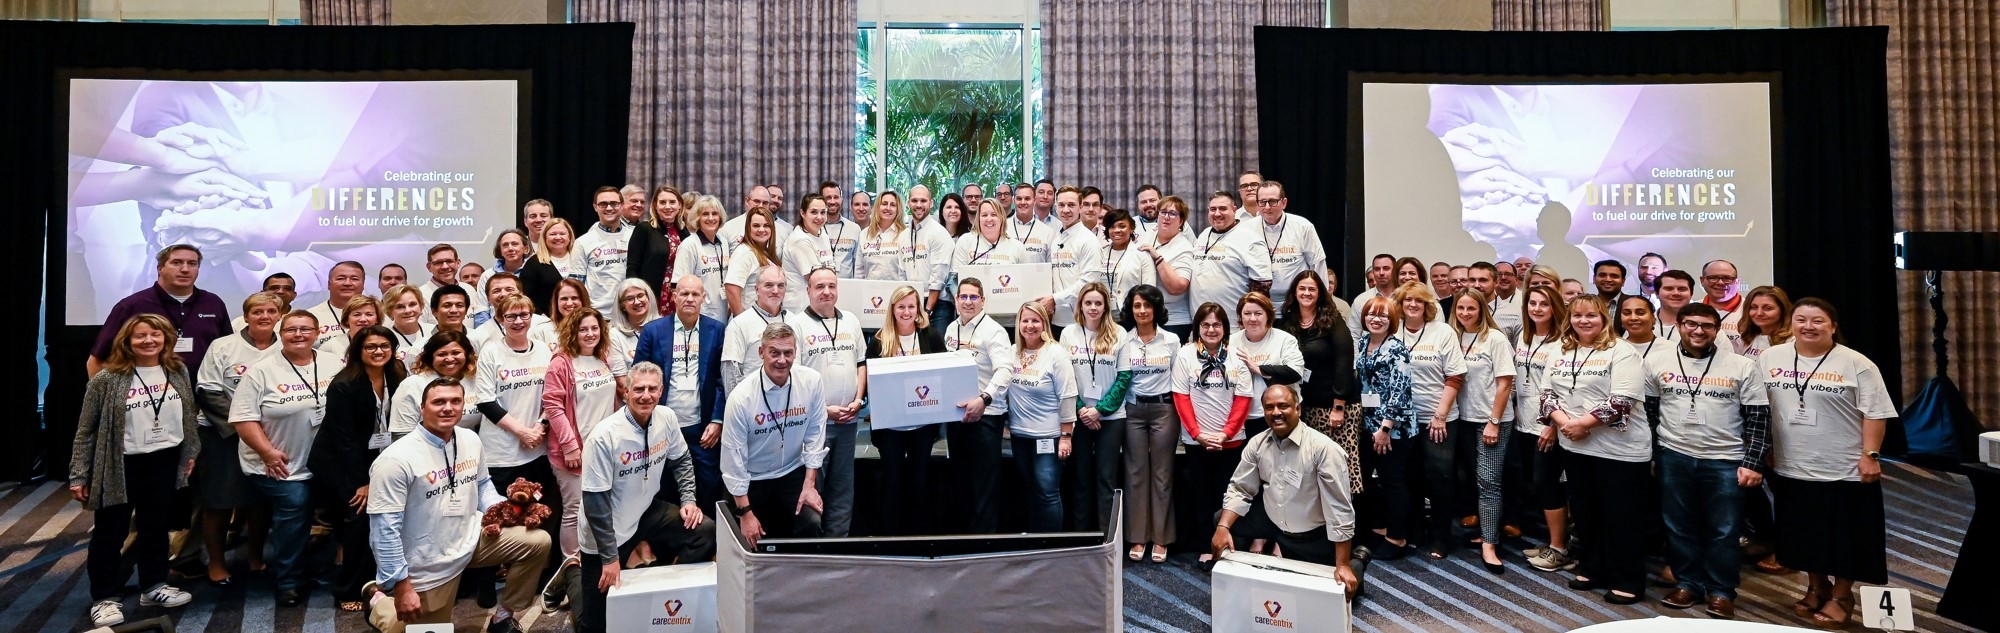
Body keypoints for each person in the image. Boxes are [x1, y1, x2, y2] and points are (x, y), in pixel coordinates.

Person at [362, 378, 551, 633]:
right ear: (422, 408)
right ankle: (378, 600)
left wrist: (503, 511)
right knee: (410, 627)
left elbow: (483, 484)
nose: (447, 408)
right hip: (427, 563)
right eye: (438, 402)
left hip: (470, 540)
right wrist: (402, 584)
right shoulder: (396, 460)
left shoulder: (470, 440)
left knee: (537, 541)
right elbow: (384, 530)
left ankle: (503, 617)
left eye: (455, 401)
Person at [1758, 298, 1896, 629]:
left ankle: (1842, 596)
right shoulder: (1770, 357)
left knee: (1846, 536)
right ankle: (1817, 586)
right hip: (1791, 464)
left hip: (1845, 467)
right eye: (1801, 319)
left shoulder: (1856, 363)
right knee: (1803, 533)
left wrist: (1870, 455)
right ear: (1791, 324)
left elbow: (1875, 412)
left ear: (1833, 326)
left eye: (1818, 321)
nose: (1809, 326)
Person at [73, 314, 201, 627]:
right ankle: (105, 597)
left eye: (155, 335)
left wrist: (190, 453)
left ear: (166, 338)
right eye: (140, 336)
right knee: (110, 532)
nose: (148, 341)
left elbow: (187, 415)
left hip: (165, 459)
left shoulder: (177, 370)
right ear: (126, 341)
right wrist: (79, 473)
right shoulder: (107, 378)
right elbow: (86, 429)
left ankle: (153, 586)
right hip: (120, 464)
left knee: (156, 526)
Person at [1644, 303, 1769, 619]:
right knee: (1678, 526)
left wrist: (1753, 462)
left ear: (1716, 329)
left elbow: (1758, 417)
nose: (1698, 331)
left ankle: (1721, 591)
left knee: (1724, 530)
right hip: (1674, 456)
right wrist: (1654, 456)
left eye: (1706, 325)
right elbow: (1648, 414)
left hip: (1725, 459)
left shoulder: (1741, 366)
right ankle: (1688, 583)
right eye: (1691, 324)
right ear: (1679, 326)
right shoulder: (1656, 362)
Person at [572, 363, 716, 633]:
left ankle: (661, 591)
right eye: (638, 389)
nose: (645, 395)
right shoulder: (604, 436)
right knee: (594, 625)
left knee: (705, 530)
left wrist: (688, 500)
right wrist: (609, 558)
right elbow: (595, 503)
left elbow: (682, 458)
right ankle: (571, 576)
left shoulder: (667, 417)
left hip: (645, 512)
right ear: (626, 391)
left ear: (661, 391)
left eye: (652, 389)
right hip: (606, 531)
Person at [1540, 294, 1650, 604]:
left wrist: (1581, 424)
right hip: (1576, 447)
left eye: (1591, 315)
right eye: (1577, 316)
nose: (1583, 321)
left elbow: (1621, 401)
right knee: (1586, 513)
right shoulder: (1560, 351)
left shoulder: (1623, 352)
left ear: (1603, 318)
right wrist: (1565, 424)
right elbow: (1546, 395)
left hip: (1620, 451)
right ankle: (1593, 567)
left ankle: (1627, 580)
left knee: (1621, 517)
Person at [230, 309, 340, 606]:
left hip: (325, 462)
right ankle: (289, 581)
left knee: (341, 514)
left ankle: (327, 570)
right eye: (292, 329)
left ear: (318, 333)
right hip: (280, 464)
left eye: (306, 329)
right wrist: (266, 452)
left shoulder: (334, 363)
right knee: (295, 512)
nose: (299, 335)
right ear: (281, 334)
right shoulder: (262, 370)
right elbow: (243, 418)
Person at [1212, 385, 1362, 597]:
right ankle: (1243, 573)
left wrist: (1343, 564)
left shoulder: (1323, 449)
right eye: (1269, 407)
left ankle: (1359, 560)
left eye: (1283, 406)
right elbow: (1240, 488)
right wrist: (1223, 527)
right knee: (1221, 519)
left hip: (1314, 536)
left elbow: (1340, 509)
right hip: (1273, 523)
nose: (1276, 412)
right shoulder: (1257, 443)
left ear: (1298, 409)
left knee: (1341, 590)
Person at [539, 308, 630, 606]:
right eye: (583, 329)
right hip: (574, 451)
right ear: (572, 332)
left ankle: (594, 567)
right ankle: (570, 572)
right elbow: (552, 406)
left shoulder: (602, 358)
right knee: (575, 510)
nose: (590, 334)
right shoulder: (561, 363)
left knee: (603, 507)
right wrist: (569, 445)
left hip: (604, 449)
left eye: (595, 328)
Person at [312, 325, 406, 612]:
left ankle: (381, 580)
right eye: (370, 347)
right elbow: (345, 441)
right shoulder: (344, 384)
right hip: (343, 463)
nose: (378, 352)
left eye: (384, 346)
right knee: (358, 521)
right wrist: (362, 483)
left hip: (379, 457)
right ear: (358, 351)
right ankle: (348, 589)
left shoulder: (398, 375)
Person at [195, 291, 283, 585]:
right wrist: (244, 428)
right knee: (219, 501)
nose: (264, 316)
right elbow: (207, 391)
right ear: (245, 316)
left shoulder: (285, 346)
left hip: (270, 436)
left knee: (260, 502)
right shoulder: (223, 346)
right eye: (257, 311)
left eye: (271, 311)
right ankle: (217, 563)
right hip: (223, 434)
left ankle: (256, 558)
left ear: (279, 315)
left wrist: (262, 433)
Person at [630, 276, 729, 517]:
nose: (689, 299)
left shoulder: (716, 330)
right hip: (662, 426)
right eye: (684, 293)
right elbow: (639, 376)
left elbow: (721, 381)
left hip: (702, 428)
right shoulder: (653, 331)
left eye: (695, 294)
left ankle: (709, 543)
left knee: (708, 486)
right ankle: (672, 547)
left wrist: (717, 420)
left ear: (704, 298)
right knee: (664, 487)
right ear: (674, 297)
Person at [722, 323, 829, 546]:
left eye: (788, 353)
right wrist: (745, 512)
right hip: (752, 478)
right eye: (774, 353)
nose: (782, 360)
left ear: (795, 353)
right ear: (761, 353)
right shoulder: (741, 398)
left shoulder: (812, 382)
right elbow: (733, 462)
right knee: (748, 539)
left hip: (791, 471)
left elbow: (815, 437)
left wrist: (809, 486)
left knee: (811, 522)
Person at [472, 294, 561, 554]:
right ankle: (490, 585)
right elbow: (486, 402)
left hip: (537, 450)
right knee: (499, 518)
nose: (518, 321)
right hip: (501, 454)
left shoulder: (543, 350)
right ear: (500, 319)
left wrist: (539, 428)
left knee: (537, 516)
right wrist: (522, 432)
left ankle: (532, 575)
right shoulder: (491, 352)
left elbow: (552, 395)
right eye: (511, 316)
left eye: (524, 315)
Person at [784, 268, 866, 536]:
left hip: (848, 421)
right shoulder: (797, 324)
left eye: (831, 285)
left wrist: (857, 399)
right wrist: (823, 411)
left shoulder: (851, 321)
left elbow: (861, 364)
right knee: (812, 487)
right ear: (808, 290)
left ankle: (837, 546)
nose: (826, 291)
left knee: (843, 488)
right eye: (819, 286)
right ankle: (814, 547)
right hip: (815, 424)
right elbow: (793, 374)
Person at [1389, 281, 1468, 560]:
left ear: (1427, 305)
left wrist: (1440, 416)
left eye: (1419, 301)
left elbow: (1455, 376)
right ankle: (1415, 532)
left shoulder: (1442, 331)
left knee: (1440, 479)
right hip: (1402, 420)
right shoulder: (1391, 331)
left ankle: (1441, 537)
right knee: (1410, 478)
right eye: (1407, 300)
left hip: (1439, 418)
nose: (1412, 305)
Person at [1174, 302, 1255, 564]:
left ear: (1225, 328)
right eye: (1206, 324)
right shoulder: (1186, 356)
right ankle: (1206, 545)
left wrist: (1226, 433)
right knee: (1201, 496)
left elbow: (1243, 399)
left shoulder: (1236, 357)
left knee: (1227, 496)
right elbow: (1181, 397)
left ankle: (1228, 543)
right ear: (1198, 327)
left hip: (1230, 441)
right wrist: (1197, 434)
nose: (1211, 329)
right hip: (1197, 441)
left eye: (1217, 325)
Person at [865, 285, 949, 535]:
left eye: (911, 306)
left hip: (921, 428)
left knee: (920, 483)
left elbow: (941, 376)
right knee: (892, 484)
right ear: (892, 309)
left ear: (919, 309)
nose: (906, 311)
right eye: (901, 306)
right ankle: (890, 539)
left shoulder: (930, 337)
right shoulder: (879, 341)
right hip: (891, 428)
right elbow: (871, 385)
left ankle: (920, 538)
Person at [1446, 288, 1517, 573]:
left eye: (1471, 309)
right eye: (1460, 308)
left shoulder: (1495, 338)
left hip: (1490, 420)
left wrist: (1494, 421)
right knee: (1474, 479)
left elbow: (1505, 383)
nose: (1465, 313)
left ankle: (1490, 543)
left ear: (1482, 310)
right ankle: (1486, 530)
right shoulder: (1453, 336)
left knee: (1489, 482)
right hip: (1462, 418)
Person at [992, 301, 1077, 532]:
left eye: (1035, 320)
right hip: (1020, 437)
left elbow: (1068, 396)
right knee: (1029, 489)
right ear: (1018, 323)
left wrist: (1066, 436)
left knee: (1047, 492)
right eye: (1025, 320)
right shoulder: (1012, 352)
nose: (1030, 326)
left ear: (1045, 324)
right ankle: (1033, 543)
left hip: (1048, 438)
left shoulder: (1056, 353)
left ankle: (1050, 547)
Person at [89, 244, 233, 378]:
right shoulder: (131, 306)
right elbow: (97, 360)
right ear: (159, 268)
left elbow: (228, 353)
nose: (185, 269)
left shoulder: (213, 303)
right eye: (176, 263)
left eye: (192, 263)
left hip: (204, 397)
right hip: (147, 398)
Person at [1277, 271, 1360, 498]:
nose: (1306, 293)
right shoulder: (1289, 323)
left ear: (1320, 293)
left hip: (1335, 409)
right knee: (1311, 470)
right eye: (1302, 288)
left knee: (1340, 470)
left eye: (1311, 289)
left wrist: (1339, 406)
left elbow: (1345, 363)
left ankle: (1345, 527)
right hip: (1306, 409)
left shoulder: (1333, 321)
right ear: (1294, 292)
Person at [1512, 286, 1575, 573]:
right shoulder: (1524, 338)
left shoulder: (1563, 342)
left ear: (1555, 309)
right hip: (1523, 422)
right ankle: (1552, 543)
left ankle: (1560, 549)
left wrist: (1551, 424)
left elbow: (1564, 390)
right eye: (1532, 303)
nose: (1537, 309)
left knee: (1548, 485)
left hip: (1547, 425)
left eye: (1544, 305)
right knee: (1535, 485)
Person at [1117, 285, 1180, 563]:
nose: (1142, 311)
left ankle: (1161, 539)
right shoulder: (1124, 340)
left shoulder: (1171, 341)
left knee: (1162, 475)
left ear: (1156, 308)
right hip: (1133, 410)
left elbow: (1179, 381)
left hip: (1164, 409)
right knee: (1135, 473)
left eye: (1147, 305)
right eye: (1136, 306)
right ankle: (1138, 537)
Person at [948, 278, 1016, 533]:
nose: (968, 302)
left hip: (986, 416)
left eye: (973, 297)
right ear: (955, 300)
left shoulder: (994, 331)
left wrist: (984, 399)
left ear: (983, 300)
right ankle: (966, 542)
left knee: (984, 486)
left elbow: (1005, 370)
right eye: (963, 297)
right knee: (961, 482)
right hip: (957, 417)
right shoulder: (951, 329)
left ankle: (984, 546)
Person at [1060, 283, 1128, 532]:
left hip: (1111, 418)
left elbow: (1124, 379)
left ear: (1106, 307)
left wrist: (1100, 410)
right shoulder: (1068, 334)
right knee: (1080, 479)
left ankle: (1106, 539)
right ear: (1080, 305)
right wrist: (1082, 410)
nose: (1093, 307)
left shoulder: (1120, 334)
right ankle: (1081, 537)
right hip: (1079, 418)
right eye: (1088, 302)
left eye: (1098, 303)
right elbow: (1066, 378)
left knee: (1105, 479)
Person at [1355, 296, 1419, 559]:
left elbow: (1400, 392)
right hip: (1368, 425)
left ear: (1391, 319)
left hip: (1394, 430)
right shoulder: (1363, 342)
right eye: (1371, 314)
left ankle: (1397, 538)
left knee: (1393, 483)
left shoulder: (1397, 349)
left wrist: (1385, 428)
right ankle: (1379, 529)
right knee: (1366, 481)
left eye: (1382, 315)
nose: (1376, 319)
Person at [1229, 292, 1305, 445]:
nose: (1252, 319)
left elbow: (1295, 372)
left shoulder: (1284, 339)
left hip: (1279, 415)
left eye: (1258, 313)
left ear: (1268, 315)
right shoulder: (1231, 341)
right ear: (1240, 317)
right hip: (1243, 416)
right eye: (1247, 313)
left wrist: (1257, 368)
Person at [1191, 192, 1273, 328]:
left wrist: (1247, 321)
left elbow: (1262, 287)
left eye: (1223, 208)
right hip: (1203, 326)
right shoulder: (1204, 234)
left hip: (1234, 326)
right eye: (1213, 209)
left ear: (1234, 210)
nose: (1217, 213)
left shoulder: (1251, 239)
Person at [1037, 187, 1105, 336]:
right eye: (1061, 205)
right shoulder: (1056, 240)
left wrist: (1055, 299)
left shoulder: (1089, 241)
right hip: (1056, 320)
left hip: (1081, 321)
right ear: (1055, 207)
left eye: (1071, 205)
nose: (1066, 210)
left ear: (1080, 207)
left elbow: (1089, 283)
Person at [388, 329, 481, 438]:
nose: (450, 359)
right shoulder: (412, 385)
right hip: (422, 450)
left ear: (467, 355)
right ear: (430, 358)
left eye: (456, 353)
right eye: (442, 354)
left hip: (463, 448)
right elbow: (401, 434)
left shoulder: (476, 381)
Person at [1251, 181, 1327, 313]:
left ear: (1284, 202)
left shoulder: (1303, 227)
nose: (1267, 207)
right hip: (1260, 307)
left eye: (1272, 201)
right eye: (1262, 202)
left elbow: (1318, 266)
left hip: (1296, 306)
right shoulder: (1246, 229)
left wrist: (1323, 305)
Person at [951, 199, 1028, 328]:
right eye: (984, 215)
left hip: (1009, 321)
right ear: (978, 218)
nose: (989, 219)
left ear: (1002, 218)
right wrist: (964, 303)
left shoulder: (1017, 247)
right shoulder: (966, 241)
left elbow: (1026, 282)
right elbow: (953, 279)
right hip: (972, 319)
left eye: (994, 215)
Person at [1134, 196, 1197, 341]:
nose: (1166, 217)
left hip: (1174, 321)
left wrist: (1157, 257)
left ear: (1181, 221)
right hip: (1147, 317)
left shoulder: (1184, 248)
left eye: (1172, 214)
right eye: (1163, 212)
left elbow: (1178, 287)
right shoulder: (1147, 236)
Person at [722, 266, 792, 394]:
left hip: (790, 402)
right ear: (756, 289)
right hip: (754, 403)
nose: (775, 291)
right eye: (769, 285)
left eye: (780, 286)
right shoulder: (739, 324)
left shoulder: (793, 321)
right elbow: (730, 373)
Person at [576, 187, 634, 319]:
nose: (609, 208)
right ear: (595, 207)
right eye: (603, 204)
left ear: (622, 205)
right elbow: (576, 285)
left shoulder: (635, 237)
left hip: (629, 312)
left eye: (614, 203)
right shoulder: (583, 242)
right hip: (597, 315)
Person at [672, 195, 731, 321]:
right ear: (697, 218)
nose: (710, 218)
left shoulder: (723, 242)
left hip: (722, 312)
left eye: (714, 214)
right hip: (698, 315)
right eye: (705, 214)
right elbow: (678, 285)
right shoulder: (689, 245)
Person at [625, 185, 686, 302]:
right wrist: (636, 295)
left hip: (678, 295)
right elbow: (632, 268)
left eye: (672, 202)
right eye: (663, 202)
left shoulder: (684, 232)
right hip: (650, 296)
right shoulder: (644, 229)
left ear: (679, 205)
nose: (668, 206)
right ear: (655, 206)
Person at [723, 207, 785, 317]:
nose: (762, 230)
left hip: (765, 319)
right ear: (748, 228)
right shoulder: (744, 252)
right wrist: (742, 320)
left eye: (766, 225)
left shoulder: (765, 252)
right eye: (756, 225)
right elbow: (731, 288)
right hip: (750, 321)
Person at [1098, 208, 1156, 322]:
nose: (1116, 230)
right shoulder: (1101, 253)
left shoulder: (1142, 255)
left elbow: (1149, 291)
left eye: (1122, 226)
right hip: (1103, 318)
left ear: (1131, 228)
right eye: (1112, 227)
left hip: (1131, 318)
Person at [781, 195, 836, 311]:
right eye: (814, 212)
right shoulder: (799, 240)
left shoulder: (822, 234)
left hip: (817, 302)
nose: (819, 217)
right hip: (800, 305)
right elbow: (814, 277)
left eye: (823, 212)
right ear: (802, 213)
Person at [307, 261, 368, 349]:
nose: (347, 283)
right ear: (329, 284)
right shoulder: (310, 316)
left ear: (363, 285)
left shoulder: (380, 315)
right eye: (340, 278)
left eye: (354, 279)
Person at [608, 278, 660, 369]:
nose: (637, 302)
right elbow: (621, 377)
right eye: (630, 298)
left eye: (640, 296)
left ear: (649, 298)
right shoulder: (614, 334)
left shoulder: (664, 327)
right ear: (622, 306)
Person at [382, 285, 434, 372]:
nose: (408, 311)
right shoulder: (383, 337)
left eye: (412, 304)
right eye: (400, 307)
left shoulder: (434, 332)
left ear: (421, 307)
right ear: (390, 311)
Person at [481, 230, 536, 313]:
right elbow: (482, 309)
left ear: (526, 249)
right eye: (505, 245)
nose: (510, 248)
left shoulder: (535, 272)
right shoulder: (488, 275)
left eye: (515, 244)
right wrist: (490, 326)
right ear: (500, 250)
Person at [1735, 285, 1793, 361]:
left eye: (1768, 308)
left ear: (1782, 311)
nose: (1759, 313)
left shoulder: (1792, 341)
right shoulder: (1746, 338)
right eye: (1754, 307)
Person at [530, 278, 593, 347]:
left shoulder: (596, 330)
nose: (569, 303)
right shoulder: (542, 331)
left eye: (574, 298)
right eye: (564, 299)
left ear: (584, 300)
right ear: (556, 302)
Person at [318, 294, 383, 360]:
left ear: (377, 319)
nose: (363, 319)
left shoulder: (386, 344)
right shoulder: (331, 346)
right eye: (357, 315)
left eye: (369, 314)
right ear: (347, 320)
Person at [1616, 294, 1675, 363]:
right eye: (1626, 313)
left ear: (1653, 318)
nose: (1633, 318)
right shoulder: (1613, 347)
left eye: (1640, 313)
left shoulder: (1671, 349)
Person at [1350, 254, 1398, 337]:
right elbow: (1354, 333)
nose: (1381, 273)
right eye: (1377, 269)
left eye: (1386, 268)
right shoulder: (1361, 300)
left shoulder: (1405, 298)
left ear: (1395, 270)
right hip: (1369, 349)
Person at [1468, 262, 1520, 338]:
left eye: (1483, 280)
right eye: (1472, 280)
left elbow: (1520, 348)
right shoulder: (1460, 311)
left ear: (1496, 283)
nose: (1476, 285)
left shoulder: (1515, 314)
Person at [1009, 183, 1058, 263]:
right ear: (1013, 200)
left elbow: (1051, 266)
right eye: (1019, 199)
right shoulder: (1002, 228)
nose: (1023, 202)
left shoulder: (1048, 232)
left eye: (1027, 199)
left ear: (1034, 201)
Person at [821, 182, 862, 278]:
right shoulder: (815, 228)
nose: (832, 201)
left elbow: (858, 264)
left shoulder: (854, 229)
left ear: (841, 199)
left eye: (836, 197)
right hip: (822, 286)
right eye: (828, 198)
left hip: (849, 287)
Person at [231, 272, 298, 330]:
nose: (280, 291)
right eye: (274, 288)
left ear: (294, 295)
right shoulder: (239, 323)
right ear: (263, 293)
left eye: (287, 289)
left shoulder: (304, 320)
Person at [418, 244, 464, 326]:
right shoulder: (420, 295)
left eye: (449, 261)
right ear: (429, 267)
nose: (445, 266)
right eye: (438, 263)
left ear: (458, 263)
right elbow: (420, 331)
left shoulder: (470, 290)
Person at [1700, 260, 1745, 337]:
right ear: (1702, 281)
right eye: (1713, 277)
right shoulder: (1691, 310)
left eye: (1727, 278)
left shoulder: (1751, 310)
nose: (1720, 283)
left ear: (1738, 282)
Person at [1654, 270, 1698, 339]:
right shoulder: (1642, 324)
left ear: (1691, 294)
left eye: (1682, 289)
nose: (1676, 293)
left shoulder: (1706, 325)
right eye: (1668, 289)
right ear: (1656, 293)